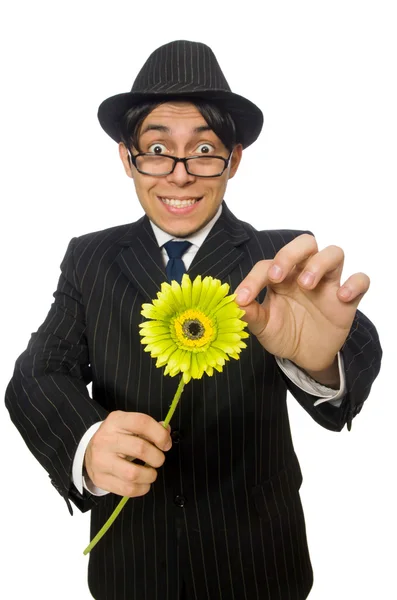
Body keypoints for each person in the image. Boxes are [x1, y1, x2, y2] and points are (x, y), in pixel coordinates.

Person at [5, 40, 382, 600]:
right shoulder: (89, 257)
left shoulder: (276, 258)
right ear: (126, 157)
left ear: (233, 160)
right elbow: (37, 373)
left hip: (260, 567)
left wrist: (323, 358)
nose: (180, 175)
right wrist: (85, 440)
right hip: (132, 568)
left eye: (204, 149)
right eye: (156, 148)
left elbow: (353, 341)